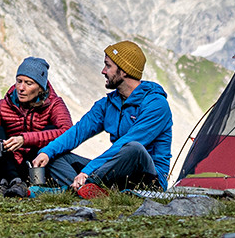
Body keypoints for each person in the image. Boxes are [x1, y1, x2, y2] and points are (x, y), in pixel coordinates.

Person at [32, 41, 172, 198]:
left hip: (148, 178)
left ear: (124, 71)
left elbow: (126, 143)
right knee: (55, 156)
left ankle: (79, 188)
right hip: (115, 174)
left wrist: (87, 171)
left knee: (134, 148)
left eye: (108, 66)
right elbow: (77, 132)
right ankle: (88, 190)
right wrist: (46, 152)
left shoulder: (156, 104)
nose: (103, 71)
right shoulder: (108, 104)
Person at [0, 57, 73, 188]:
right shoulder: (3, 106)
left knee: (51, 129)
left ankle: (31, 185)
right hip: (6, 172)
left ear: (40, 87)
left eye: (29, 83)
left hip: (36, 169)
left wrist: (25, 139)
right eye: (19, 81)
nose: (21, 88)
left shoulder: (54, 105)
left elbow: (68, 133)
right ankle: (11, 182)